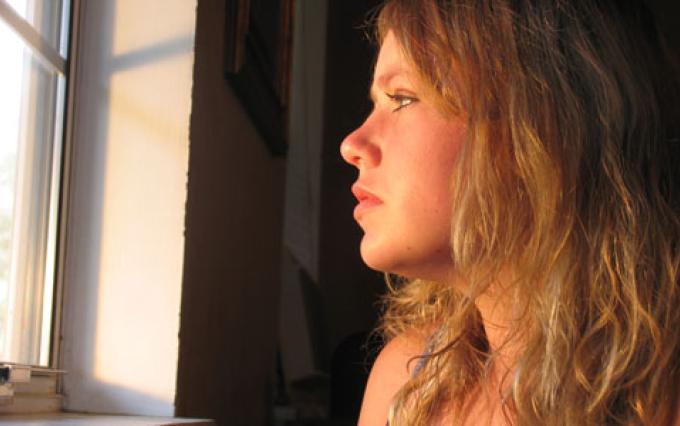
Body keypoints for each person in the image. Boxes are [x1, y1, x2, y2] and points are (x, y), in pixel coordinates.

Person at [339, 0, 680, 424]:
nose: (352, 145)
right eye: (375, 103)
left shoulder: (662, 398)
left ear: (542, 128)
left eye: (403, 98)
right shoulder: (407, 384)